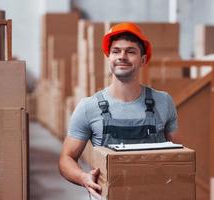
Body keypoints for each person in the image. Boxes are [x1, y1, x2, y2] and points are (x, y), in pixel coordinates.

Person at [59, 22, 178, 199]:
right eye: (116, 51)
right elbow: (66, 159)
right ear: (109, 58)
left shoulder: (164, 102)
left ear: (143, 60)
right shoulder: (88, 107)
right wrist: (84, 178)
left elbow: (176, 157)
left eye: (130, 51)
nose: (122, 56)